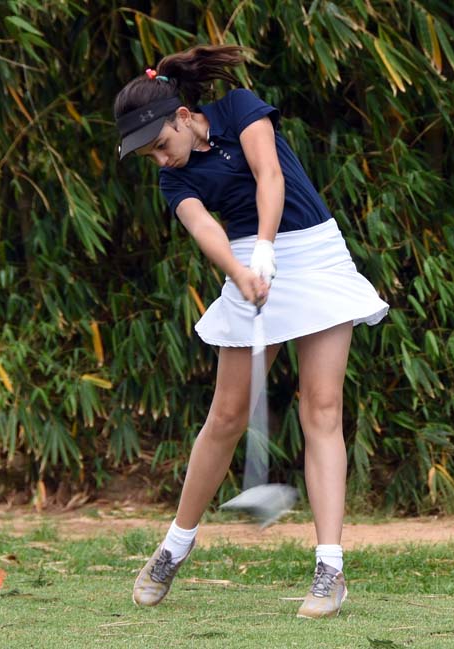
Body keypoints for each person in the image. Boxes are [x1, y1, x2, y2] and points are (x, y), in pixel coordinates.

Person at [113, 44, 388, 618]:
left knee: (322, 408)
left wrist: (266, 244)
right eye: (149, 155)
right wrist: (242, 271)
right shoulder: (174, 182)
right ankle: (174, 547)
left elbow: (269, 175)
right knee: (226, 416)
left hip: (313, 255)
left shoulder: (240, 108)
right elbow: (204, 229)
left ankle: (330, 570)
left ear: (182, 117)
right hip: (245, 263)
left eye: (160, 144)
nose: (160, 159)